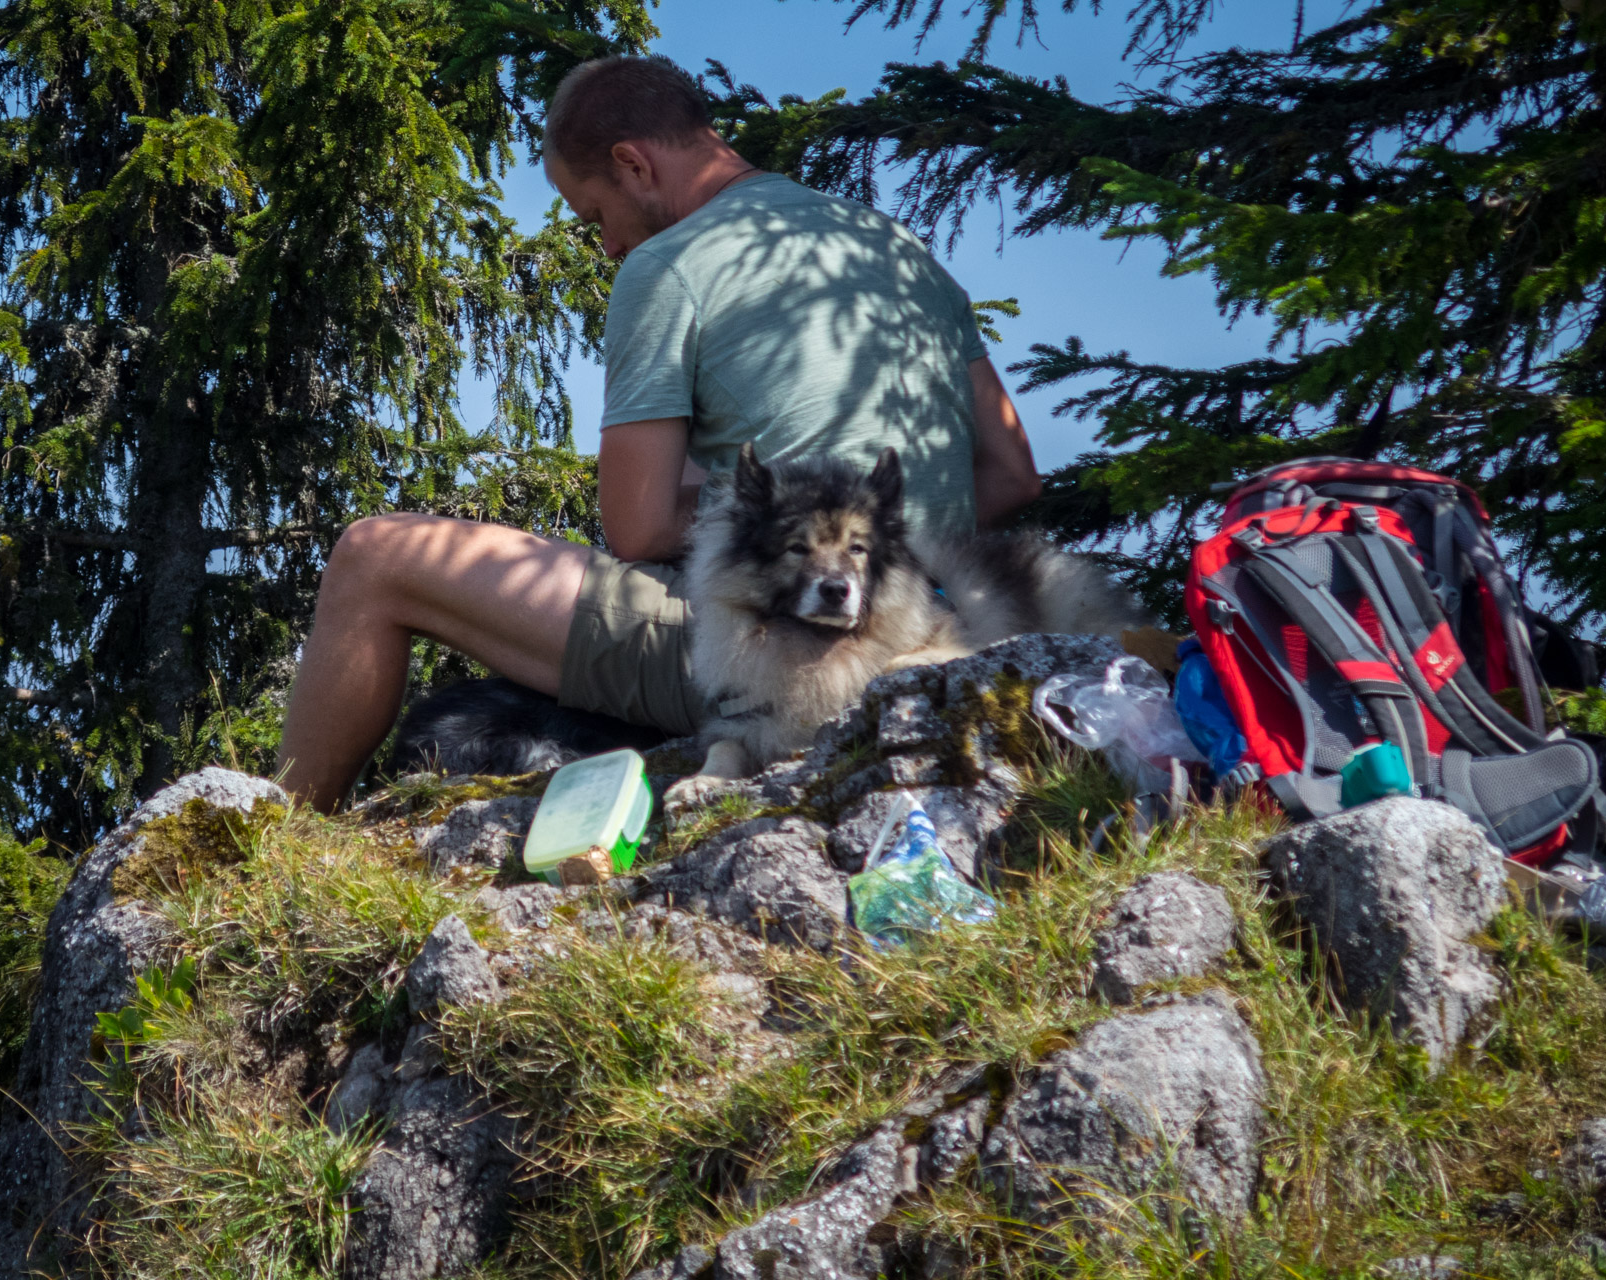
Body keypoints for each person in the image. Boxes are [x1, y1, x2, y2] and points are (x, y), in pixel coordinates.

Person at [276, 55, 1042, 811]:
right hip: (931, 630)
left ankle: (285, 841)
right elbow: (1011, 474)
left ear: (632, 163)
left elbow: (636, 528)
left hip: (787, 653)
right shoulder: (903, 252)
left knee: (374, 558)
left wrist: (770, 525)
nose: (608, 245)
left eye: (595, 215)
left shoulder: (669, 265)